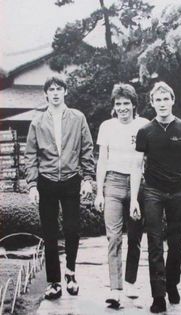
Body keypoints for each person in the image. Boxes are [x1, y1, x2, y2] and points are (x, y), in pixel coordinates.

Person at [130, 81, 181, 313]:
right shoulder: (145, 132)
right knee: (154, 243)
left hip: (178, 191)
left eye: (165, 99)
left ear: (172, 100)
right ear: (152, 103)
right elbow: (136, 166)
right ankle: (158, 295)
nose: (162, 103)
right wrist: (133, 199)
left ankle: (172, 284)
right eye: (157, 100)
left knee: (175, 241)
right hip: (152, 191)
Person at [25, 76, 94, 300]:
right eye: (51, 89)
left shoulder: (77, 118)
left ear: (65, 92)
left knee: (73, 229)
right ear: (46, 94)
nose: (55, 93)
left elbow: (86, 149)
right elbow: (30, 155)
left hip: (71, 179)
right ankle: (53, 282)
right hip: (46, 181)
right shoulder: (37, 121)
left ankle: (70, 274)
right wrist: (32, 185)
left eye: (59, 89)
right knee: (50, 232)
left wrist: (87, 179)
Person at [95, 83, 149, 308]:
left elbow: (149, 158)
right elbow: (102, 161)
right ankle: (115, 289)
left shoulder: (145, 125)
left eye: (126, 103)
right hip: (113, 183)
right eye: (118, 104)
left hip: (139, 184)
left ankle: (130, 281)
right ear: (114, 106)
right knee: (114, 237)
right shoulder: (106, 126)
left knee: (135, 237)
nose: (122, 108)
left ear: (134, 105)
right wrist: (100, 192)